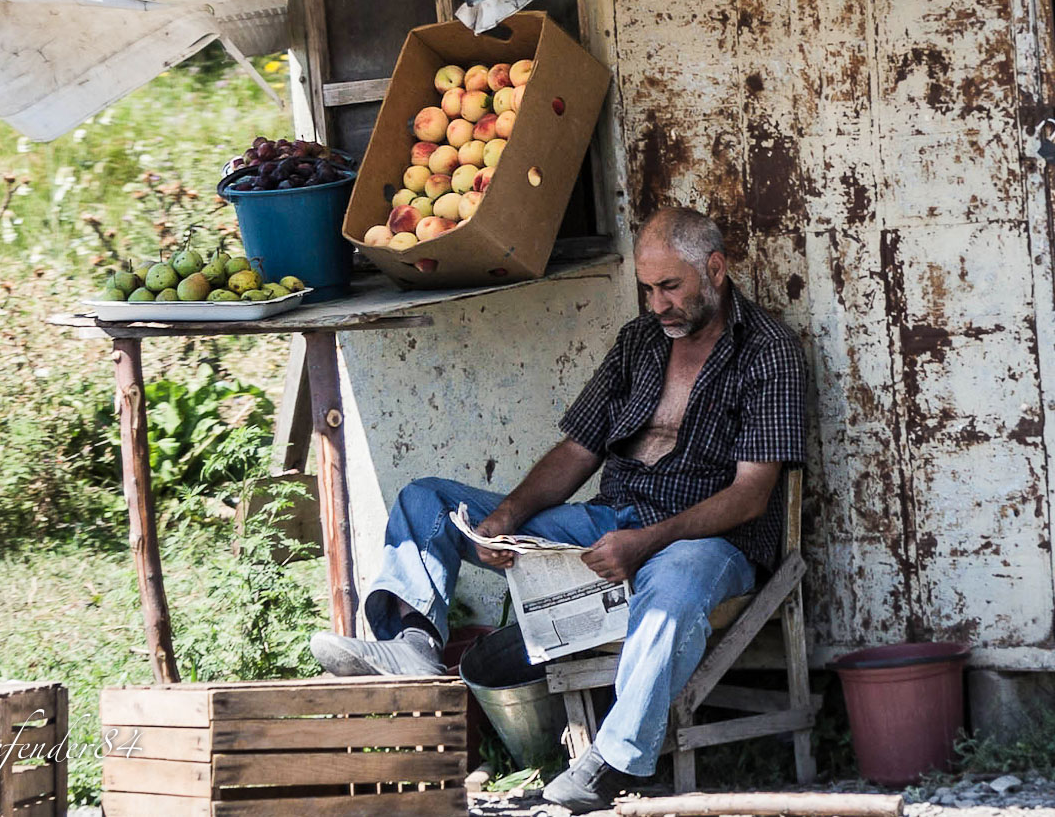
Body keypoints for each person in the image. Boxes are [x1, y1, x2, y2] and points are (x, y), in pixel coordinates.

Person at [310, 206, 807, 814]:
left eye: (670, 287)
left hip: (707, 542)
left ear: (717, 270)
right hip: (608, 522)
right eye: (647, 289)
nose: (657, 305)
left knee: (674, 588)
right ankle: (415, 644)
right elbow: (577, 450)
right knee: (428, 501)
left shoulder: (767, 352)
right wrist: (505, 518)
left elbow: (751, 494)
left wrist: (647, 543)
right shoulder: (640, 342)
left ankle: (611, 763)